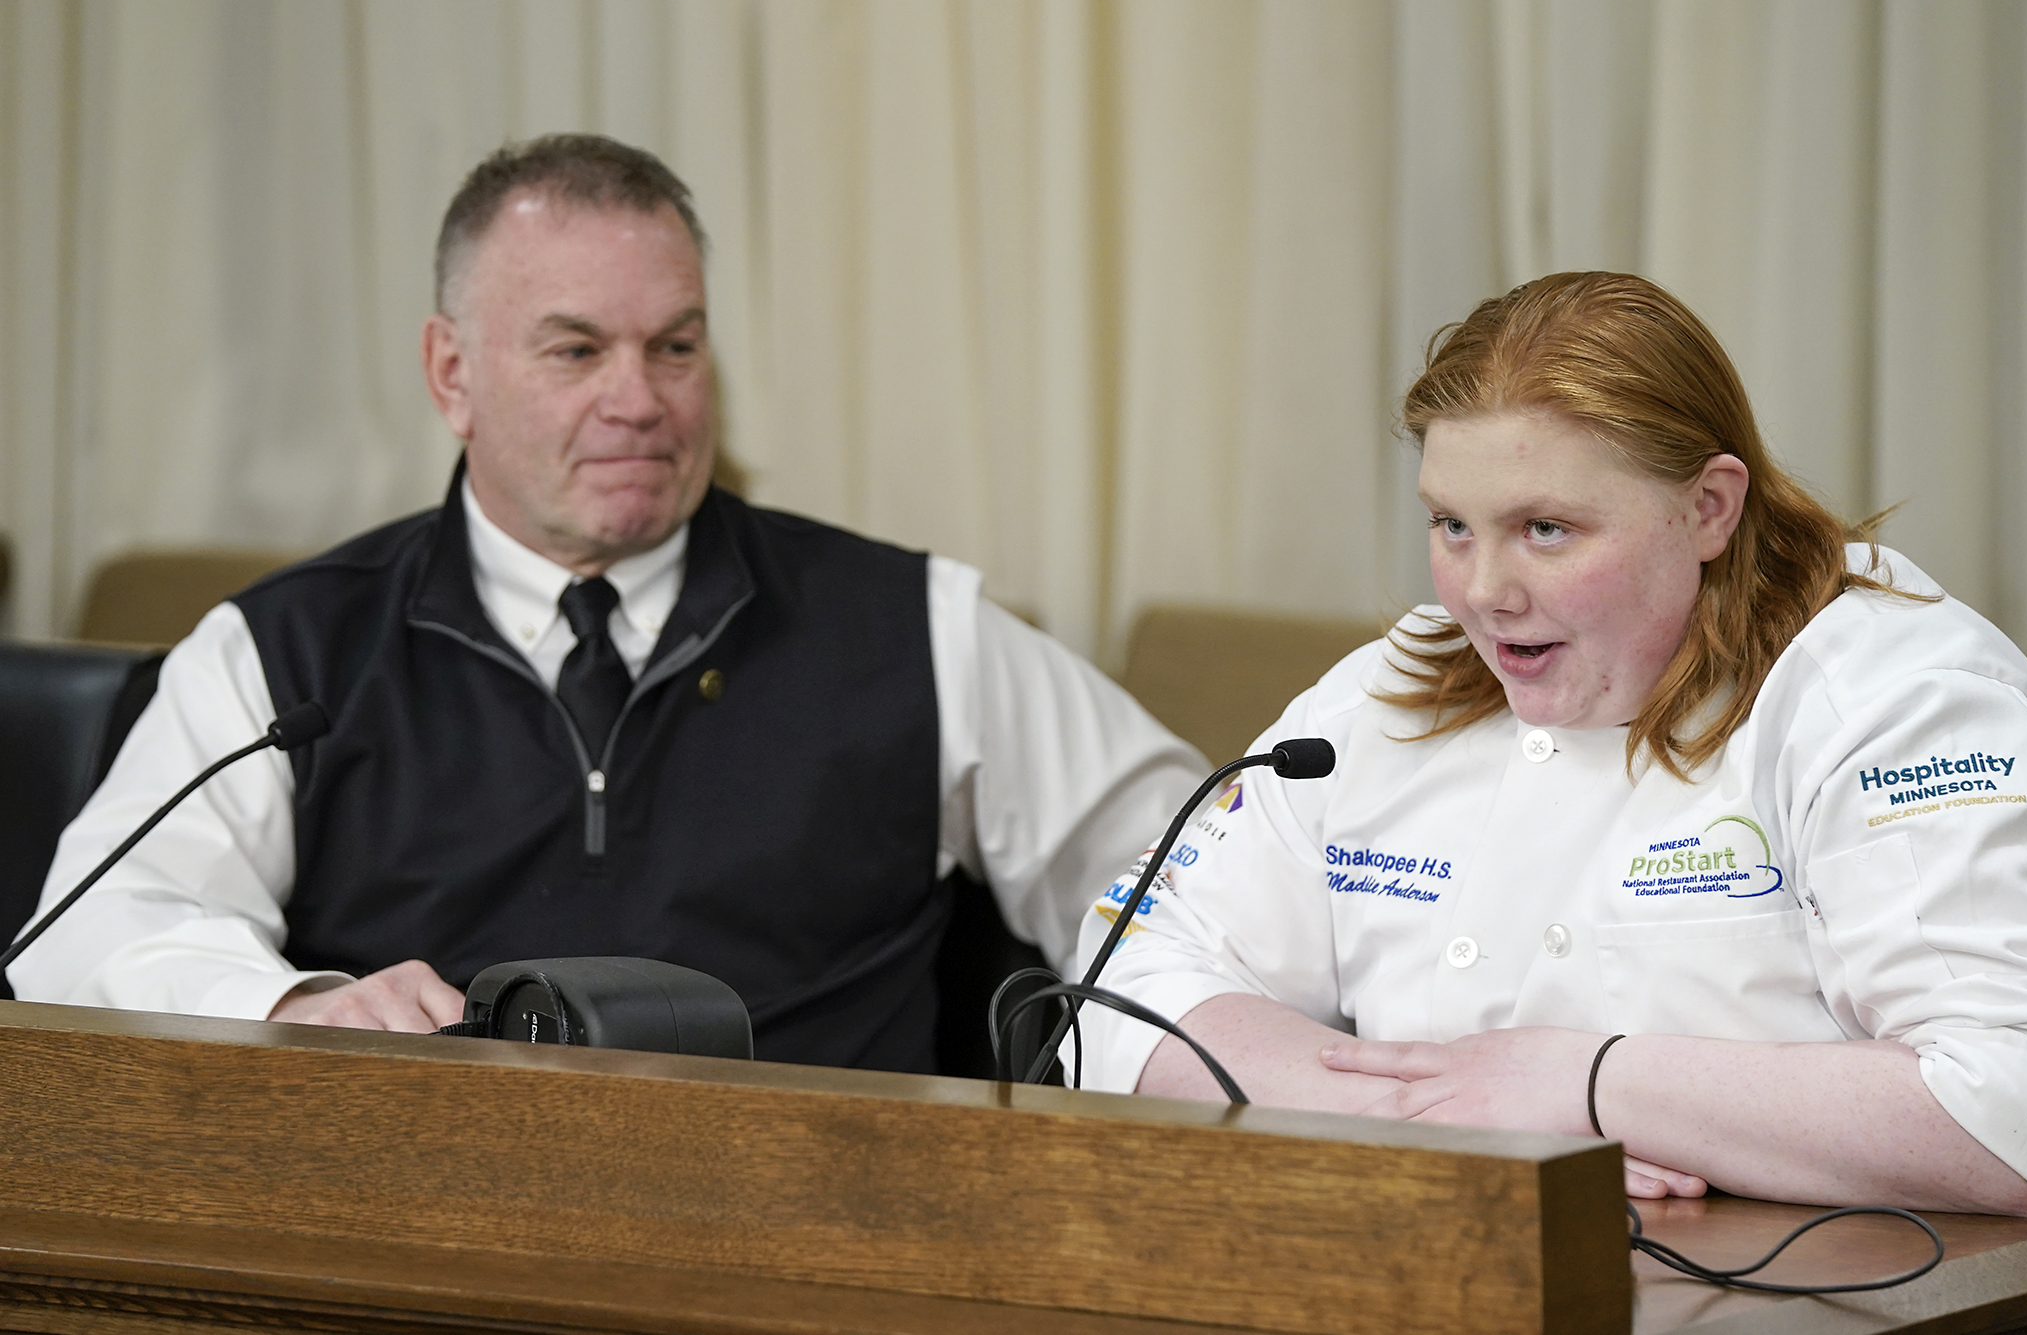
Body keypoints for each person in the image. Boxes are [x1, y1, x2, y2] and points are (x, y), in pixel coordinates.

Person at [11, 134, 1206, 1072]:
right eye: (576, 351)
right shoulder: (284, 654)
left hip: (814, 1257)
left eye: (675, 348)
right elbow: (96, 926)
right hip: (412, 1248)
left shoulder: (919, 629)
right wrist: (294, 1003)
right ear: (452, 374)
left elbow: (1187, 870)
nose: (640, 400)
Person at [1074, 272, 2027, 1222]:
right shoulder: (1392, 689)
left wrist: (1585, 1084)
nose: (1483, 592)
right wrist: (1416, 1115)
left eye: (1547, 529)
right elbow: (1122, 975)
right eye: (1452, 525)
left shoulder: (1897, 696)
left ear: (1709, 507)